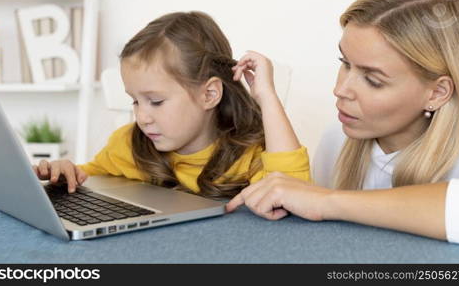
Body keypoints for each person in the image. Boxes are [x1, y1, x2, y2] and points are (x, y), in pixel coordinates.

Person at [227, 0, 459, 244]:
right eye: (345, 63)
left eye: (373, 80)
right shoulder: (337, 139)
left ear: (437, 92)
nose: (340, 90)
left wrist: (324, 200)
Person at [32, 11, 310, 199]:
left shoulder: (250, 155)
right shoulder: (128, 145)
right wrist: (65, 173)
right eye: (135, 101)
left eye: (155, 101)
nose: (142, 116)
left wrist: (267, 97)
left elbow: (294, 193)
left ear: (209, 94)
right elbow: (86, 178)